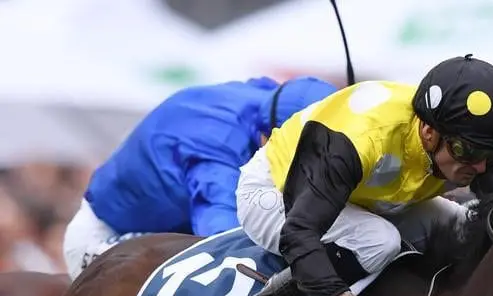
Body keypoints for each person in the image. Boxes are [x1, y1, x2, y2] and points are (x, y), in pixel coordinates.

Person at [216, 54, 493, 296]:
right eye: (468, 152)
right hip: (276, 192)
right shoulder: (360, 138)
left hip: (361, 197)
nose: (479, 167)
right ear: (429, 132)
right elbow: (299, 231)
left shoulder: (466, 139)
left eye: (492, 153)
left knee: (462, 226)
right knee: (380, 241)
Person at [62, 76, 338, 280]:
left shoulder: (276, 100)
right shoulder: (217, 153)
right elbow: (225, 242)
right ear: (270, 138)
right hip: (105, 238)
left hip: (172, 228)